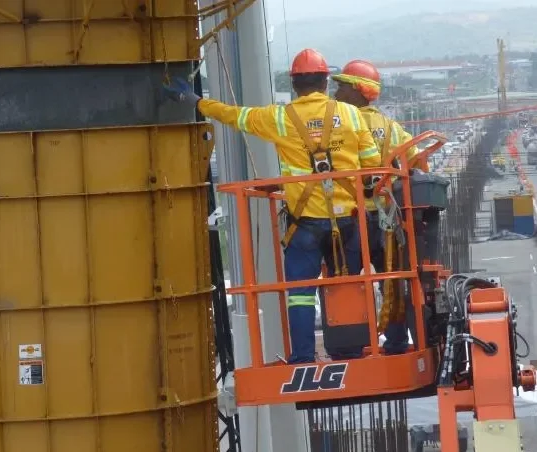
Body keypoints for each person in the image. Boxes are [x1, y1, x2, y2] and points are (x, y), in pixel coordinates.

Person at [163, 48, 382, 364]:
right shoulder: (349, 115)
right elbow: (372, 166)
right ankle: (347, 349)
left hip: (305, 222)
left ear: (295, 85)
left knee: (300, 294)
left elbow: (234, 115)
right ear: (324, 83)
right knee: (345, 283)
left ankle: (304, 355)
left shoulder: (279, 118)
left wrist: (196, 102)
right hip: (347, 220)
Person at [331, 59, 425, 355]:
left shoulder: (341, 126)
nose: (336, 93)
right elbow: (417, 160)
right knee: (391, 281)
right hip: (387, 221)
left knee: (345, 280)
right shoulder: (391, 128)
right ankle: (397, 342)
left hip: (351, 218)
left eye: (342, 87)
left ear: (359, 91)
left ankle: (347, 346)